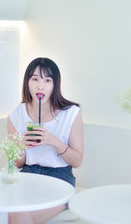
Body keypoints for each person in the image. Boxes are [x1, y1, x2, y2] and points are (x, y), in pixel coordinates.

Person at [7, 57, 83, 224]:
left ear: (55, 84)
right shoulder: (16, 115)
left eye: (47, 80)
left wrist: (54, 141)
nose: (40, 86)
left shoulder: (71, 113)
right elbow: (16, 164)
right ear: (27, 82)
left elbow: (77, 161)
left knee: (18, 216)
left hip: (59, 178)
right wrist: (21, 146)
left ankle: (65, 202)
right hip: (28, 175)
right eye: (35, 79)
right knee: (8, 216)